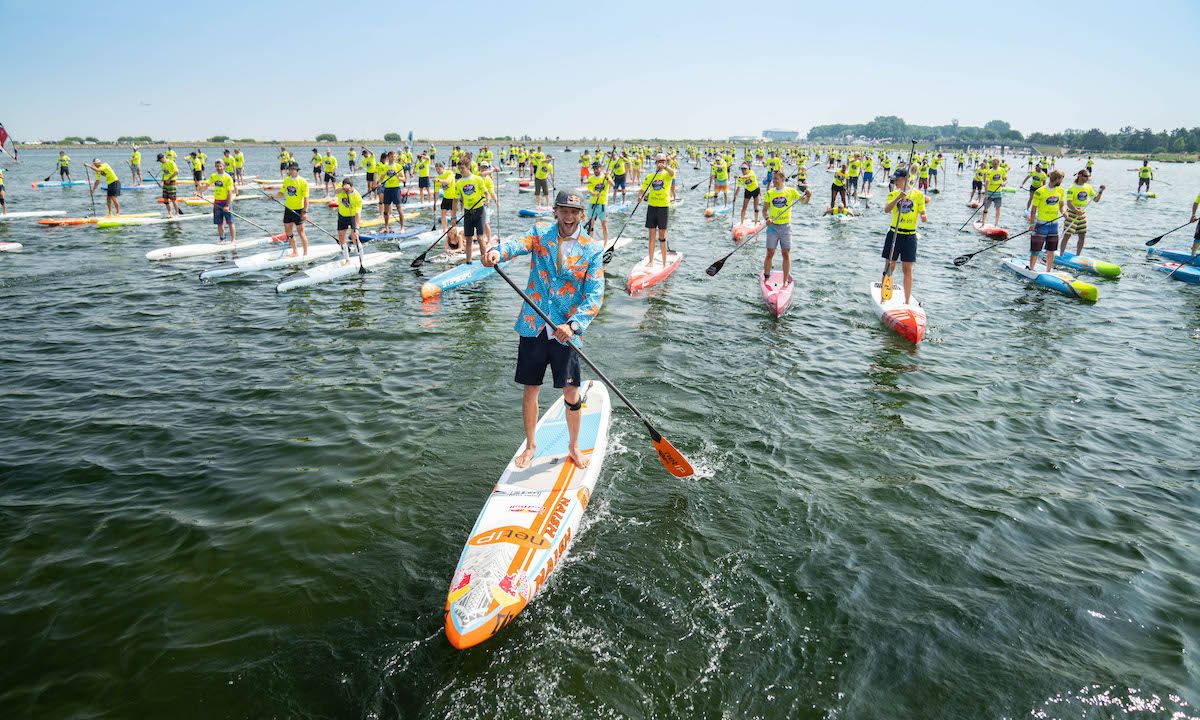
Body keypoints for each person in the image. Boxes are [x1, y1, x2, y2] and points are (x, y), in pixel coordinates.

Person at [481, 190, 605, 470]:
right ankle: (531, 446)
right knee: (530, 389)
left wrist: (574, 325)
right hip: (533, 324)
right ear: (555, 212)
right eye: (564, 210)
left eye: (574, 212)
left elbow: (595, 294)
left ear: (581, 215)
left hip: (566, 332)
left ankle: (573, 446)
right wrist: (496, 252)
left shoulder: (593, 249)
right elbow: (516, 244)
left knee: (571, 392)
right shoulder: (540, 234)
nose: (569, 216)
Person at [881, 167, 927, 306]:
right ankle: (883, 298)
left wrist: (924, 217)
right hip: (894, 234)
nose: (894, 181)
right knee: (890, 265)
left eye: (897, 179)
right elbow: (887, 210)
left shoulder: (918, 195)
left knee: (907, 269)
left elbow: (923, 213)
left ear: (904, 179)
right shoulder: (893, 193)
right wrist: (897, 198)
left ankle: (907, 301)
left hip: (909, 236)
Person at [761, 171, 802, 284]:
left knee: (786, 253)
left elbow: (804, 201)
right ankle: (766, 278)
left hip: (785, 227)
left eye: (776, 179)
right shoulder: (769, 193)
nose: (774, 181)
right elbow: (764, 211)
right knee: (770, 252)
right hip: (772, 227)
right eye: (773, 179)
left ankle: (785, 281)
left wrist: (809, 194)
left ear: (782, 179)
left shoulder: (791, 191)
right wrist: (767, 218)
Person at [454, 158, 497, 264]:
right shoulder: (459, 183)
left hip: (479, 211)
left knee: (480, 238)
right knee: (468, 239)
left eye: (462, 168)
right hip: (468, 212)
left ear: (468, 167)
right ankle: (468, 261)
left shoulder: (478, 179)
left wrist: (487, 199)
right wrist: (453, 217)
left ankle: (484, 259)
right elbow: (455, 201)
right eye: (459, 168)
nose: (461, 170)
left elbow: (486, 193)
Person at [264, 162, 310, 257]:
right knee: (288, 231)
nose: (291, 171)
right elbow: (282, 192)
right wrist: (274, 196)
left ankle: (305, 253)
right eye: (290, 169)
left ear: (297, 171)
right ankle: (295, 251)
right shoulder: (287, 180)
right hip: (288, 209)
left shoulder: (303, 182)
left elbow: (306, 199)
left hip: (299, 210)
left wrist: (305, 212)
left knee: (301, 232)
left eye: (293, 169)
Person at [638, 154, 676, 268]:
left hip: (663, 207)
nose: (661, 162)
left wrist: (664, 167)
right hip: (652, 207)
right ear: (655, 162)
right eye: (659, 161)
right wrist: (640, 196)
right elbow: (642, 189)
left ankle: (664, 263)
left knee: (662, 237)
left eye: (663, 161)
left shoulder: (667, 174)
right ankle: (651, 261)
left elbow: (672, 173)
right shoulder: (650, 176)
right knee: (651, 236)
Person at [1027, 170, 1066, 271]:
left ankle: (1048, 271)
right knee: (1036, 249)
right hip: (1041, 223)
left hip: (1054, 225)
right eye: (1061, 179)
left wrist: (1065, 213)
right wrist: (1032, 224)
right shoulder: (1040, 191)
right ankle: (1031, 269)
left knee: (1051, 249)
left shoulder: (1061, 190)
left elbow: (1061, 206)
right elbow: (1033, 210)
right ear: (1057, 179)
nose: (1062, 181)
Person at [1060, 170, 1105, 256]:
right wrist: (1076, 210)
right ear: (1079, 175)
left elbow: (1096, 200)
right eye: (1085, 176)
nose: (1087, 178)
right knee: (1067, 235)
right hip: (1072, 213)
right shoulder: (1072, 188)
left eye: (1088, 176)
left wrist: (1100, 192)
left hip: (1082, 214)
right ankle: (1061, 255)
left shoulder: (1088, 187)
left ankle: (1078, 255)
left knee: (1082, 235)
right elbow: (1069, 203)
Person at [198, 159, 237, 243]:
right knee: (219, 223)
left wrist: (227, 205)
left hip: (226, 202)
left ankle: (233, 240)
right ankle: (222, 239)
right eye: (217, 166)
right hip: (217, 202)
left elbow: (230, 193)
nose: (219, 168)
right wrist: (199, 192)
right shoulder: (213, 176)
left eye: (220, 166)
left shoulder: (228, 177)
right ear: (215, 167)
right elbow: (206, 186)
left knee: (230, 222)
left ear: (223, 166)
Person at [334, 178, 363, 265]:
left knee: (355, 238)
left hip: (353, 217)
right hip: (342, 216)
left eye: (348, 189)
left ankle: (361, 259)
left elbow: (358, 214)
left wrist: (357, 228)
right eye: (345, 189)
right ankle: (347, 260)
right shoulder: (341, 187)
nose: (346, 191)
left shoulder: (357, 196)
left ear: (352, 187)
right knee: (341, 238)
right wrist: (343, 188)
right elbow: (336, 191)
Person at [378, 151, 406, 234]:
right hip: (387, 189)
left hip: (396, 189)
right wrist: (379, 183)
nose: (392, 158)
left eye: (394, 156)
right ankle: (386, 227)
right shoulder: (385, 166)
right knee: (386, 210)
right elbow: (382, 178)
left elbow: (404, 179)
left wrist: (398, 177)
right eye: (391, 156)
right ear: (388, 157)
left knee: (399, 208)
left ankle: (402, 227)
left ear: (396, 157)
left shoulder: (398, 166)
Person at [585, 161, 612, 246]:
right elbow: (589, 190)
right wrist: (594, 194)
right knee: (591, 224)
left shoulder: (606, 177)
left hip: (603, 204)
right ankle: (590, 242)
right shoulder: (591, 179)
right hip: (592, 204)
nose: (596, 170)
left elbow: (613, 184)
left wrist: (607, 177)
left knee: (604, 224)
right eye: (594, 169)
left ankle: (605, 243)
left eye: (597, 168)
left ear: (600, 168)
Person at [982, 158, 1007, 227]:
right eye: (993, 163)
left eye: (996, 163)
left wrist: (1004, 183)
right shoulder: (989, 172)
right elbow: (986, 183)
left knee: (998, 208)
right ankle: (983, 223)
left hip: (998, 192)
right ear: (992, 164)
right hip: (990, 192)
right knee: (986, 208)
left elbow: (1006, 180)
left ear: (998, 163)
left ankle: (996, 224)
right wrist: (986, 195)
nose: (995, 164)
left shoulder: (1002, 170)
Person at [157, 152, 182, 217]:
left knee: (173, 199)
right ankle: (169, 213)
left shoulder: (171, 162)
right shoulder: (162, 164)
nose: (160, 162)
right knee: (165, 199)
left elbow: (177, 172)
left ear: (163, 158)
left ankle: (177, 213)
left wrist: (169, 179)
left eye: (160, 160)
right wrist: (161, 182)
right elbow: (163, 174)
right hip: (165, 183)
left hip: (172, 182)